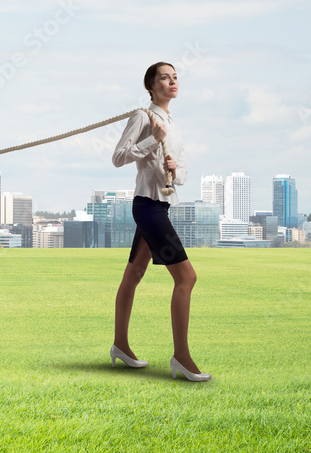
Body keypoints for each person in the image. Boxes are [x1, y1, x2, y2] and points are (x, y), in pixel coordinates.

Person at [109, 62, 211, 382]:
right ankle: (181, 357)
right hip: (147, 207)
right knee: (187, 277)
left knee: (135, 273)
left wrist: (173, 167)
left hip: (160, 206)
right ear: (151, 86)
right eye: (164, 78)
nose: (172, 82)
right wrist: (152, 141)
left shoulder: (174, 125)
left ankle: (120, 346)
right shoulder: (143, 116)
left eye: (175, 77)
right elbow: (118, 157)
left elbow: (180, 175)